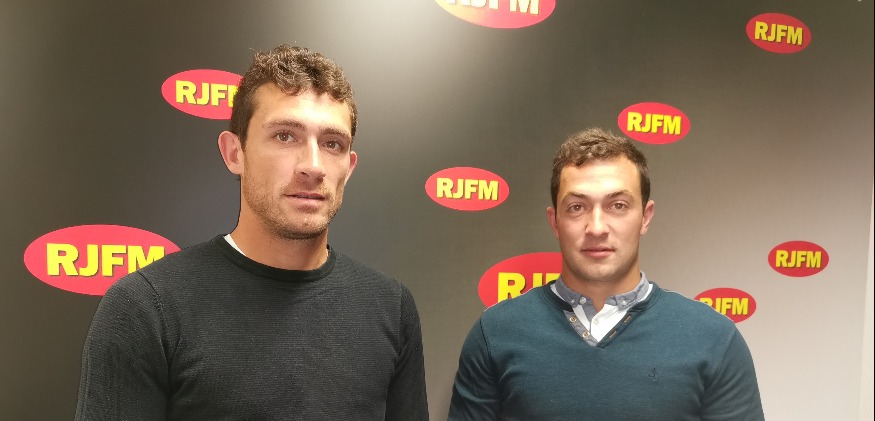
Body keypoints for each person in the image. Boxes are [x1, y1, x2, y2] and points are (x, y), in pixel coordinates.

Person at [75, 45, 429, 420]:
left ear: (349, 167)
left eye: (332, 144)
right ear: (235, 153)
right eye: (285, 136)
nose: (313, 166)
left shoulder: (391, 308)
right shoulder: (146, 308)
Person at [448, 127, 764, 420]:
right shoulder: (496, 333)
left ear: (645, 217)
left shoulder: (713, 339)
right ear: (555, 221)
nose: (597, 227)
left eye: (618, 205)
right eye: (577, 207)